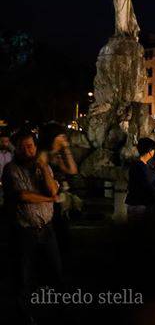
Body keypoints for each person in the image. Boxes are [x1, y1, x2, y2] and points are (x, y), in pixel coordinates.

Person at [2, 131, 62, 325]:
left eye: (30, 146)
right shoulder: (11, 169)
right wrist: (48, 198)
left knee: (55, 271)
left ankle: (56, 310)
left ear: (36, 147)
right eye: (22, 147)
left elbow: (53, 189)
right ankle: (23, 313)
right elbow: (23, 196)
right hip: (24, 230)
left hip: (47, 229)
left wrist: (44, 168)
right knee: (23, 274)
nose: (27, 150)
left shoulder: (43, 167)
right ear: (16, 148)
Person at [38, 122, 78, 256]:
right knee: (57, 233)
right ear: (53, 137)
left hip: (60, 200)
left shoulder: (57, 155)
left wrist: (66, 149)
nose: (65, 138)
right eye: (61, 135)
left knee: (63, 234)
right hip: (49, 199)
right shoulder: (43, 155)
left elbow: (72, 170)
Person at [126, 137, 155, 217]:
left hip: (137, 203)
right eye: (153, 149)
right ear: (150, 151)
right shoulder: (140, 167)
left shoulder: (140, 165)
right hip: (140, 204)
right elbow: (148, 186)